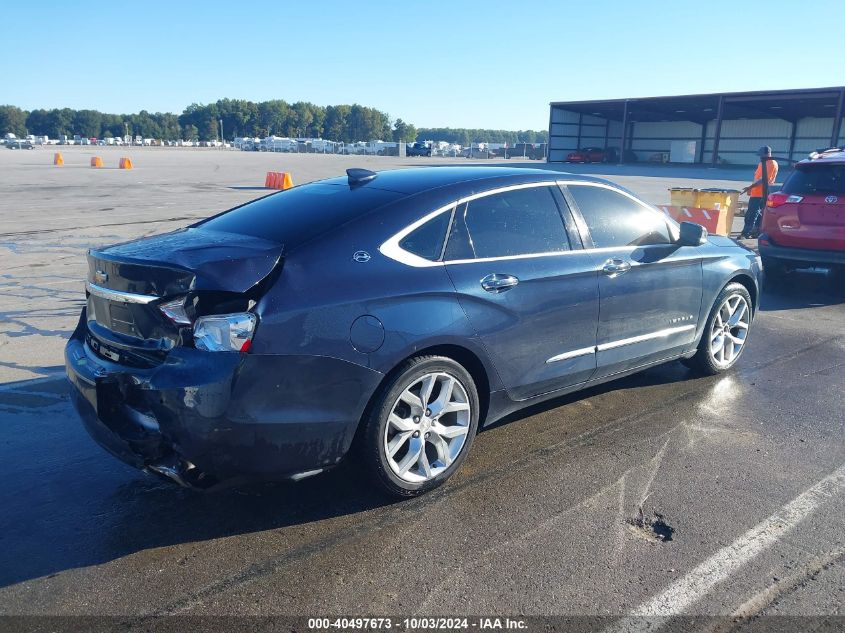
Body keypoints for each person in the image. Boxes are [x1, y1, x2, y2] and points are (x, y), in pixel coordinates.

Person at [739, 146, 778, 239]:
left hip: (761, 193)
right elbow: (757, 178)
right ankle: (756, 231)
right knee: (759, 214)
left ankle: (746, 233)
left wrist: (750, 187)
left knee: (752, 214)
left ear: (767, 154)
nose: (760, 157)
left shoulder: (771, 163)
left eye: (762, 155)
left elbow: (763, 179)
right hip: (756, 192)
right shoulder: (763, 163)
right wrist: (751, 189)